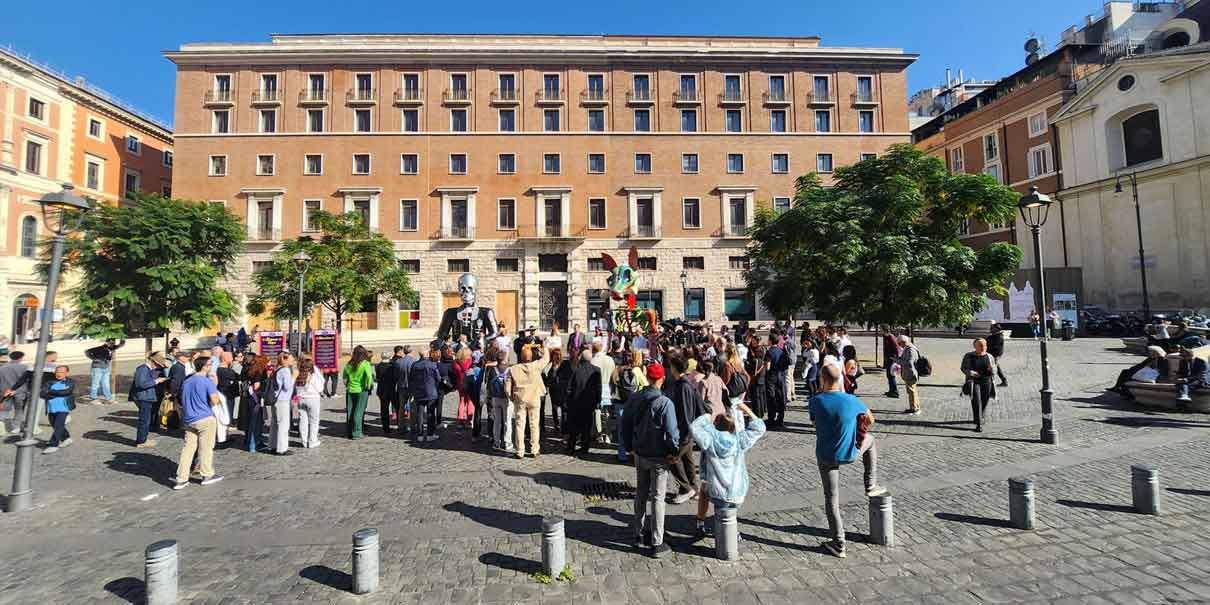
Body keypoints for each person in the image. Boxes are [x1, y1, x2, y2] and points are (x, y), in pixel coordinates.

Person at [809, 363, 886, 558]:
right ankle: (870, 484)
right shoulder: (852, 400)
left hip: (826, 455)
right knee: (871, 440)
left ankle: (839, 543)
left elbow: (815, 424)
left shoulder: (815, 401)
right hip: (850, 453)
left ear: (823, 381)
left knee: (831, 499)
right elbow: (871, 419)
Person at [620, 362, 679, 558]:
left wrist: (628, 448)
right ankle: (657, 541)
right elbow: (672, 433)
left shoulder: (636, 397)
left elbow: (625, 424)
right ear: (661, 379)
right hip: (659, 456)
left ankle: (638, 533)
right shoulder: (665, 403)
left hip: (640, 453)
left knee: (641, 494)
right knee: (658, 498)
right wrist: (674, 452)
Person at [689, 400, 765, 542]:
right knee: (731, 512)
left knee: (708, 494)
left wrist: (706, 416)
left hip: (716, 489)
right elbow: (759, 427)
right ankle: (731, 532)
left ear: (715, 426)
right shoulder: (739, 440)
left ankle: (701, 523)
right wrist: (745, 408)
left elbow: (694, 427)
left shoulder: (709, 440)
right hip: (737, 489)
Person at [173, 356, 224, 490]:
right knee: (206, 448)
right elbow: (215, 400)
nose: (211, 366)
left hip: (189, 419)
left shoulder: (187, 381)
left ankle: (181, 478)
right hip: (205, 418)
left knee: (188, 449)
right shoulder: (207, 382)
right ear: (204, 366)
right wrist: (216, 384)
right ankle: (207, 475)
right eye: (210, 364)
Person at [665, 354, 706, 504]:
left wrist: (680, 434)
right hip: (690, 430)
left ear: (674, 368)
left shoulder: (682, 386)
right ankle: (694, 488)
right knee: (687, 459)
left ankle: (686, 489)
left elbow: (683, 412)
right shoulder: (686, 383)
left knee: (672, 458)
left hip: (684, 431)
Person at [507, 341, 548, 459]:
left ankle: (520, 451)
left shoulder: (513, 369)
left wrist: (511, 396)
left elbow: (507, 386)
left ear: (520, 357)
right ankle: (535, 449)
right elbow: (546, 358)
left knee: (520, 425)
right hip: (534, 398)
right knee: (534, 424)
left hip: (520, 398)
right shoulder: (536, 365)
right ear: (531, 357)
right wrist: (543, 347)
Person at [564, 346, 600, 454]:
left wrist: (568, 401)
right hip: (589, 403)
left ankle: (571, 446)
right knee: (587, 426)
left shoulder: (576, 370)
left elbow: (569, 388)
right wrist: (597, 401)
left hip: (576, 402)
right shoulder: (596, 370)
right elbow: (599, 389)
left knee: (574, 426)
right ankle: (585, 447)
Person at [129, 352, 169, 448]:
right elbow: (141, 384)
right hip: (143, 398)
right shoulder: (142, 369)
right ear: (153, 362)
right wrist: (156, 381)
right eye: (157, 365)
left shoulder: (146, 369)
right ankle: (141, 441)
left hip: (146, 397)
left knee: (146, 419)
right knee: (144, 420)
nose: (157, 367)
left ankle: (143, 439)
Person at [960, 338, 998, 432]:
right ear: (975, 346)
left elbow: (995, 369)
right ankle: (979, 423)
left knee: (985, 400)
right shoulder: (969, 356)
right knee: (976, 401)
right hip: (974, 381)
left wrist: (992, 369)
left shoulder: (989, 356)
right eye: (980, 345)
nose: (983, 347)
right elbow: (963, 368)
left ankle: (980, 416)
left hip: (987, 381)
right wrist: (970, 372)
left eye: (984, 345)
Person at [39, 365, 76, 454]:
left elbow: (67, 392)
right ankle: (66, 438)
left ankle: (53, 444)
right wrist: (57, 393)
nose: (59, 374)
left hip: (63, 408)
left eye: (62, 372)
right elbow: (42, 394)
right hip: (51, 408)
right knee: (55, 425)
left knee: (58, 425)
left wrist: (51, 392)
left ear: (67, 373)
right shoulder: (49, 382)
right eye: (57, 372)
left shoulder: (70, 382)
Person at [409, 348, 443, 442]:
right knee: (430, 413)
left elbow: (411, 378)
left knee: (419, 414)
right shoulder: (432, 365)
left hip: (419, 392)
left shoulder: (415, 365)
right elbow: (438, 378)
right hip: (430, 392)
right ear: (427, 354)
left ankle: (419, 434)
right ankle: (430, 434)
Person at [342, 345, 375, 440]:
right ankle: (357, 432)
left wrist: (347, 386)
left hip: (350, 390)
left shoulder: (349, 364)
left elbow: (344, 377)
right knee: (358, 412)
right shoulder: (365, 364)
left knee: (350, 411)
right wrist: (368, 387)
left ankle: (349, 431)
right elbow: (369, 377)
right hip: (361, 390)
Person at [241, 355, 270, 451]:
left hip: (247, 398)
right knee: (255, 422)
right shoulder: (258, 372)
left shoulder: (247, 370)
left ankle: (249, 441)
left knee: (250, 421)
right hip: (255, 398)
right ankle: (254, 444)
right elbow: (256, 386)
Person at [590, 341, 617, 445]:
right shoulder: (609, 359)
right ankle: (608, 433)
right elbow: (614, 375)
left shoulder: (593, 361)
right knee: (607, 412)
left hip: (597, 388)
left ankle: (599, 434)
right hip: (607, 388)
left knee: (597, 412)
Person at [295, 356, 325, 448]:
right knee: (314, 421)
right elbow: (320, 388)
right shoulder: (313, 375)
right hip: (313, 399)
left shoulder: (298, 374)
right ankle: (312, 441)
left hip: (300, 399)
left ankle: (304, 441)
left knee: (303, 420)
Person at [270, 352, 296, 455]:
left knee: (274, 424)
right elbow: (287, 386)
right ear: (285, 359)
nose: (293, 360)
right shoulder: (285, 370)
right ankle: (282, 448)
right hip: (283, 400)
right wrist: (294, 376)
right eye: (291, 358)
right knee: (283, 425)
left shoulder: (277, 369)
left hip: (276, 399)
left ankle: (272, 445)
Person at [84, 338, 124, 404]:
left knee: (106, 384)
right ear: (106, 342)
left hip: (106, 368)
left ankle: (108, 398)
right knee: (96, 383)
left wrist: (122, 340)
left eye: (113, 343)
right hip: (97, 368)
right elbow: (87, 352)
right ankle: (93, 398)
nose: (112, 344)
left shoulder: (111, 348)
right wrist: (94, 358)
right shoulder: (99, 348)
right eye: (110, 343)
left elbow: (119, 345)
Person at [0, 350, 31, 436]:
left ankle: (1, 428)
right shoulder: (25, 367)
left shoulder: (2, 367)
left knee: (4, 409)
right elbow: (28, 380)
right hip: (20, 391)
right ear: (21, 358)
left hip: (4, 391)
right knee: (19, 410)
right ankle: (16, 427)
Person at [764, 332, 789, 427]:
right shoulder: (781, 351)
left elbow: (767, 367)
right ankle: (780, 418)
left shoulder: (769, 352)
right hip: (780, 376)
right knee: (780, 396)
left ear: (770, 341)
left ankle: (771, 418)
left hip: (771, 377)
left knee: (771, 397)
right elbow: (786, 364)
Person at [393, 346, 416, 435]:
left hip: (401, 386)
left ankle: (401, 426)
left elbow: (395, 375)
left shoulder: (398, 362)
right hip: (411, 387)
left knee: (401, 407)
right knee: (412, 407)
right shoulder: (414, 361)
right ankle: (413, 426)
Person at [895, 335, 921, 415]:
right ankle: (915, 407)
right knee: (912, 391)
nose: (899, 346)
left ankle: (914, 408)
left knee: (911, 391)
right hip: (909, 372)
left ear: (903, 342)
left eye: (899, 344)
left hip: (910, 373)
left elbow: (909, 362)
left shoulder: (910, 349)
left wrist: (897, 361)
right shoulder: (908, 348)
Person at [376, 351, 399, 435]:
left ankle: (385, 428)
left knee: (384, 409)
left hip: (382, 390)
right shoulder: (392, 366)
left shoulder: (378, 366)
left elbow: (378, 377)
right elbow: (396, 377)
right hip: (392, 389)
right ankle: (400, 425)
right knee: (397, 407)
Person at [215, 352, 240, 424]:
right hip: (227, 397)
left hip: (226, 396)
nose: (232, 359)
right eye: (231, 357)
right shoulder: (226, 372)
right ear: (225, 359)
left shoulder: (218, 370)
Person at [453, 347, 474, 427]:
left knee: (462, 401)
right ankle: (469, 420)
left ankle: (460, 421)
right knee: (470, 401)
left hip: (460, 383)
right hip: (468, 382)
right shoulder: (469, 361)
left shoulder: (456, 362)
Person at [987, 322, 1008, 387]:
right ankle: (1004, 381)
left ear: (996, 329)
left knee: (993, 367)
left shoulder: (999, 336)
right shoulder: (995, 336)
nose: (990, 329)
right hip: (993, 354)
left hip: (995, 354)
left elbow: (995, 347)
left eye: (992, 328)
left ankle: (1003, 381)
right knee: (995, 366)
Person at [881, 326, 900, 398]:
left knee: (891, 375)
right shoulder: (885, 337)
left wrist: (894, 358)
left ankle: (895, 392)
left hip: (891, 360)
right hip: (888, 359)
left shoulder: (891, 337)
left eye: (881, 329)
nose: (880, 330)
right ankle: (891, 390)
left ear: (884, 330)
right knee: (889, 375)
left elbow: (896, 348)